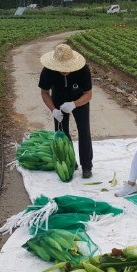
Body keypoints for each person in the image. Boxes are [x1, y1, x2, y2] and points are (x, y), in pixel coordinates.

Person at [39, 44, 93, 178]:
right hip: (58, 100)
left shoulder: (83, 70)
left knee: (84, 131)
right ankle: (70, 161)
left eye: (66, 68)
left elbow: (88, 94)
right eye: (61, 68)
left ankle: (86, 166)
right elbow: (45, 93)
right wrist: (53, 110)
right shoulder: (48, 71)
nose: (64, 71)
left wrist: (74, 104)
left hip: (79, 100)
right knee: (62, 133)